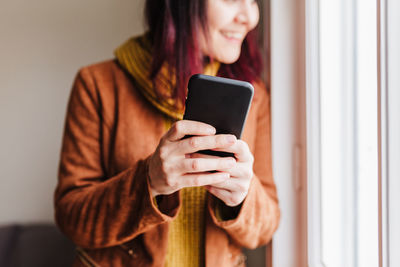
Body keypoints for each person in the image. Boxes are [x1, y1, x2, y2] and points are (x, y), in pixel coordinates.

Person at [54, 0, 280, 266]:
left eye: (252, 0)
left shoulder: (254, 98)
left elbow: (267, 227)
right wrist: (148, 182)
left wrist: (243, 197)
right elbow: (72, 219)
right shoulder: (97, 85)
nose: (249, 17)